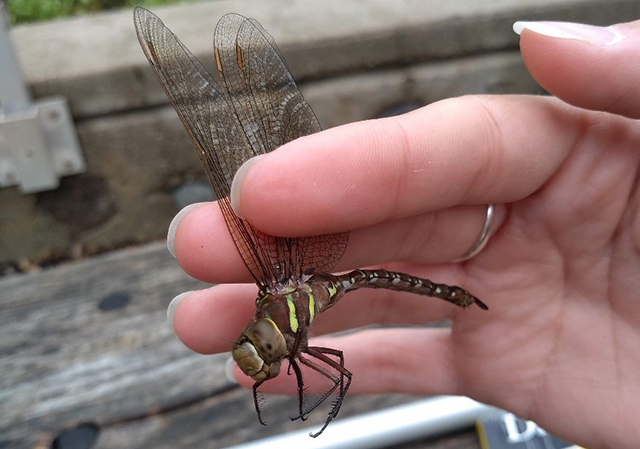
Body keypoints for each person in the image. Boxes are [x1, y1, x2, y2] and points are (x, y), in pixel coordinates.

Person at [166, 20, 640, 449]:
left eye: (262, 351)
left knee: (268, 195)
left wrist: (316, 402)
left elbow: (339, 374)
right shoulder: (281, 325)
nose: (262, 358)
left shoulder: (282, 313)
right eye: (261, 351)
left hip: (328, 283)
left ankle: (453, 295)